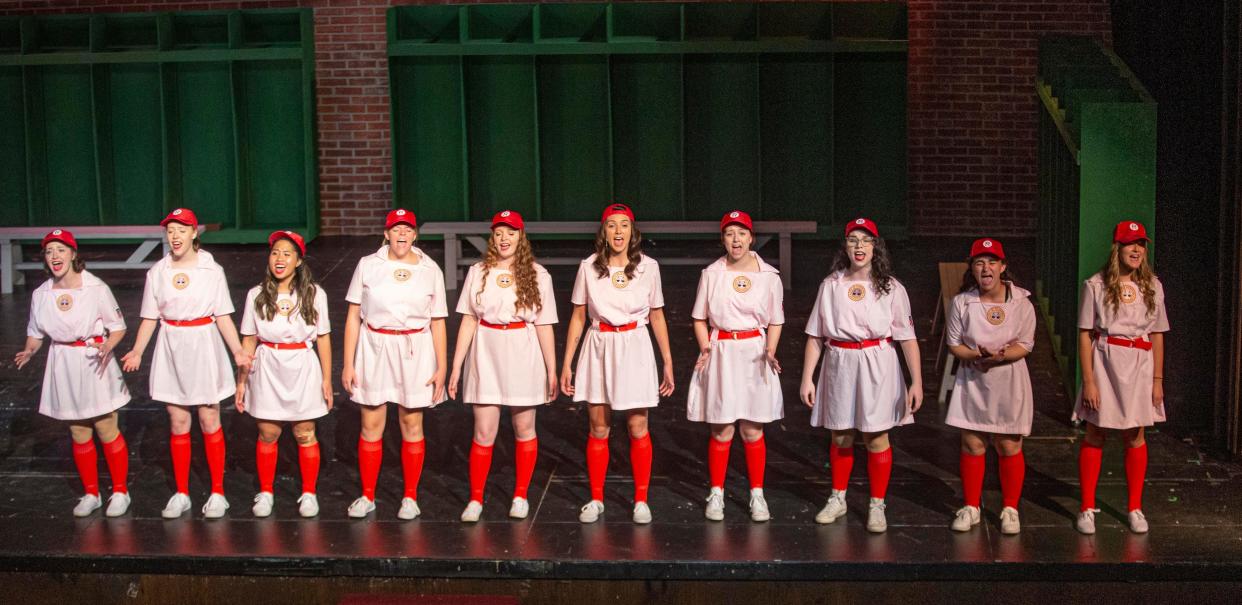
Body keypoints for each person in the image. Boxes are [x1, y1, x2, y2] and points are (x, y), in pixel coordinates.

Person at [121, 208, 250, 519]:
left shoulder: (211, 270)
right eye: (170, 230)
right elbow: (150, 317)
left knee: (209, 419)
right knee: (178, 421)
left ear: (195, 233)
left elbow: (223, 316)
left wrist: (237, 352)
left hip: (203, 345)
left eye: (182, 229)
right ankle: (181, 493)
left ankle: (218, 492)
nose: (175, 236)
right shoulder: (157, 272)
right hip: (171, 346)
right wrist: (138, 350)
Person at [800, 217, 923, 533]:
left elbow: (906, 337)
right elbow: (816, 334)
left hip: (877, 363)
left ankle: (876, 503)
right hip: (840, 362)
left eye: (865, 240)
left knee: (876, 435)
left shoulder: (892, 288)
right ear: (845, 246)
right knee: (840, 434)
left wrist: (916, 381)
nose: (859, 246)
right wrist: (807, 377)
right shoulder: (831, 285)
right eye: (853, 239)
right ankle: (838, 497)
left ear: (875, 246)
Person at [561, 203, 675, 525]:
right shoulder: (589, 267)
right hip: (599, 345)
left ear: (633, 231)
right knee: (599, 427)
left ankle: (641, 500)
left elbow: (656, 315)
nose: (618, 232)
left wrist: (667, 360)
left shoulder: (648, 268)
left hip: (635, 346)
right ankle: (596, 498)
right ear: (604, 232)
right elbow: (579, 316)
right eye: (612, 225)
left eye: (624, 225)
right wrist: (566, 363)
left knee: (638, 427)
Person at [449, 210, 558, 523]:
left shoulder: (538, 275)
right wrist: (456, 366)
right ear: (492, 238)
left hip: (523, 352)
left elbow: (545, 324)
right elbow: (469, 319)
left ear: (520, 237)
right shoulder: (477, 272)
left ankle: (521, 494)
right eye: (499, 233)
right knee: (483, 431)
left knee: (524, 428)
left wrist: (552, 369)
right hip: (486, 350)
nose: (504, 238)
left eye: (510, 232)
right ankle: (475, 498)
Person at [15, 229, 133, 517]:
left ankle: (120, 491)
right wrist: (30, 350)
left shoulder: (95, 287)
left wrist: (108, 345)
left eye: (60, 250)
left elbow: (117, 327)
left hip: (94, 360)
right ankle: (91, 492)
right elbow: (36, 333)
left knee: (106, 427)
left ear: (73, 253)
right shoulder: (41, 294)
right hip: (63, 362)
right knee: (79, 431)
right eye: (49, 251)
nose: (55, 256)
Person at [340, 209, 449, 519]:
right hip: (374, 347)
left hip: (415, 348)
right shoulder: (368, 265)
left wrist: (442, 366)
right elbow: (352, 317)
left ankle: (410, 497)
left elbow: (439, 321)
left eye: (407, 229)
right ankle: (368, 495)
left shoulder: (430, 269)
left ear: (415, 234)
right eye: (395, 229)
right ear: (386, 234)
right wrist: (347, 363)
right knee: (371, 424)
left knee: (411, 424)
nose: (401, 234)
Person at [685, 210, 785, 523]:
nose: (736, 239)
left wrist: (770, 350)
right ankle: (716, 492)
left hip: (754, 352)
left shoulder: (769, 275)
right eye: (729, 233)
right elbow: (699, 318)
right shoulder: (712, 273)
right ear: (723, 239)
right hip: (723, 351)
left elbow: (776, 320)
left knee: (752, 429)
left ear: (751, 237)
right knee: (722, 427)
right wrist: (705, 346)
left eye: (741, 233)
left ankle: (757, 493)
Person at [1073, 220, 1168, 535]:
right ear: (1118, 248)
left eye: (1141, 244)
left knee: (1135, 436)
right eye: (1131, 244)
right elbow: (1085, 334)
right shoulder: (1096, 285)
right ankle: (1087, 507)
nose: (1137, 250)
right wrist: (1088, 380)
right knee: (1096, 433)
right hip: (1105, 362)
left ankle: (1134, 507)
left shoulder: (1152, 285)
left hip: (1139, 365)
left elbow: (1157, 335)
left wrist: (1157, 380)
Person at [235, 231, 332, 518]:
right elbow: (249, 339)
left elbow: (324, 338)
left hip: (302, 365)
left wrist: (327, 380)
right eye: (275, 252)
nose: (280, 259)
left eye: (287, 253)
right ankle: (265, 491)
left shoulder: (314, 293)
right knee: (268, 432)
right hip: (267, 365)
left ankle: (309, 492)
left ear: (299, 260)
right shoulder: (256, 294)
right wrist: (241, 381)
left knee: (305, 432)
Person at [944, 238, 1036, 535]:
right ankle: (971, 506)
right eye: (980, 262)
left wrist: (1000, 357)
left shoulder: (1021, 301)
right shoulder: (962, 302)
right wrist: (977, 356)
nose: (986, 267)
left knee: (1008, 445)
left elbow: (1025, 343)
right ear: (972, 268)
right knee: (972, 443)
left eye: (992, 262)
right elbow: (954, 344)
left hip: (1008, 378)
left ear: (1003, 267)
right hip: (974, 377)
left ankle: (1010, 508)